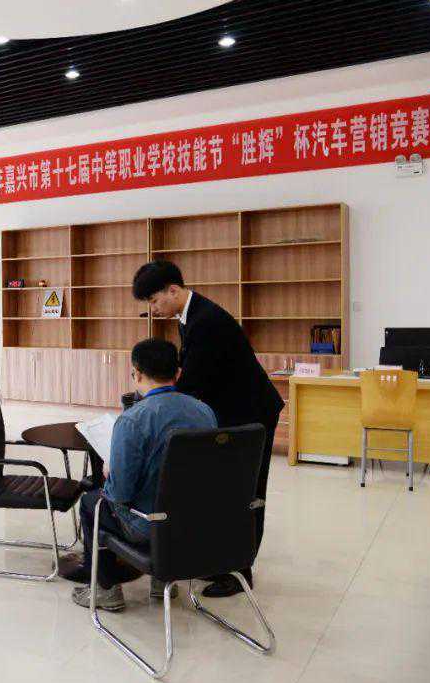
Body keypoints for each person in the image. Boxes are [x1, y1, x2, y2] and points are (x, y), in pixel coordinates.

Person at [132, 260, 284, 598]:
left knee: (245, 492)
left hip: (251, 415)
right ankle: (220, 560)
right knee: (224, 489)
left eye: (154, 301)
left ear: (173, 290)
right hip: (230, 411)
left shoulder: (207, 322)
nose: (153, 309)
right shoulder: (190, 316)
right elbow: (191, 375)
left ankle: (240, 570)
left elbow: (192, 382)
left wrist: (155, 402)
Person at [63, 338, 217, 611]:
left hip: (148, 525)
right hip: (195, 520)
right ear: (178, 373)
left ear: (136, 374)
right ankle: (162, 580)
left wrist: (110, 472)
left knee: (91, 503)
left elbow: (120, 494)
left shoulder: (133, 420)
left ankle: (106, 590)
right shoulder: (204, 412)